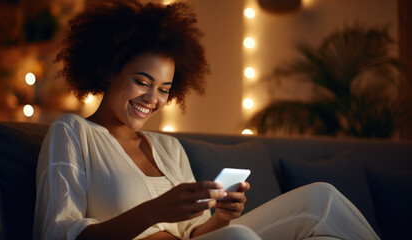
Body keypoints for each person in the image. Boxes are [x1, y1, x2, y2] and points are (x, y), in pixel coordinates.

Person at [33, 1, 380, 239]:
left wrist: (221, 218)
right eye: (142, 81)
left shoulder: (169, 147)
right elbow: (57, 232)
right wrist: (153, 212)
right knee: (241, 237)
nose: (153, 99)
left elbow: (194, 234)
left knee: (323, 198)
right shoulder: (73, 133)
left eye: (164, 89)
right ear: (109, 70)